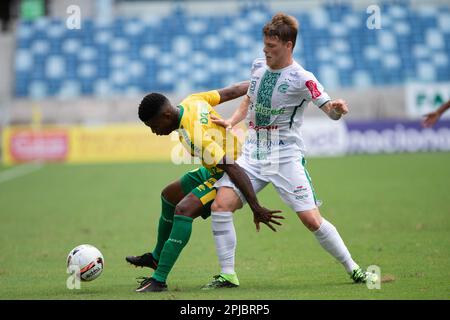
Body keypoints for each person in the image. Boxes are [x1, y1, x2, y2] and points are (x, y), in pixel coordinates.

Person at [202, 13, 378, 289]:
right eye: (264, 45)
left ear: (289, 45)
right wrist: (231, 121)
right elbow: (249, 99)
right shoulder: (258, 67)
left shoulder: (303, 78)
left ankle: (353, 268)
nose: (266, 51)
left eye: (272, 47)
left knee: (311, 220)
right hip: (252, 153)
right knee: (221, 206)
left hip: (284, 156)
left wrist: (338, 111)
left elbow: (329, 110)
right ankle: (227, 274)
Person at [127, 81, 283, 292]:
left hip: (229, 172)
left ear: (166, 116)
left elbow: (232, 167)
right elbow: (232, 91)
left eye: (154, 126)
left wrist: (255, 206)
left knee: (183, 209)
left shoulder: (194, 134)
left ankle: (159, 279)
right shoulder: (192, 101)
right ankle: (156, 257)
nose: (155, 132)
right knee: (168, 196)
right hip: (213, 168)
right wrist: (262, 80)